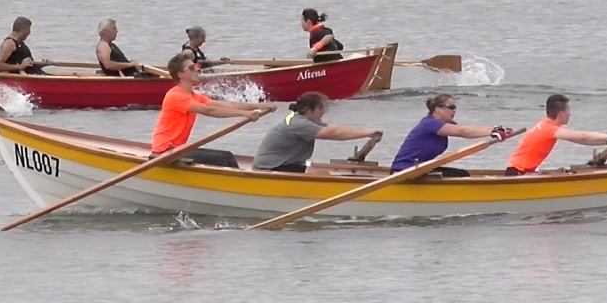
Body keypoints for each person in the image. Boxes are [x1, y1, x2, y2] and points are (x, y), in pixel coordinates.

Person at [151, 55, 275, 167]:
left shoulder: (194, 95)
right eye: (192, 68)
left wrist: (259, 106)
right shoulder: (175, 95)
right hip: (165, 151)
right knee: (220, 159)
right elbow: (209, 110)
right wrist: (244, 114)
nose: (197, 69)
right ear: (180, 74)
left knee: (227, 156)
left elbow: (224, 105)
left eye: (197, 66)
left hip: (178, 149)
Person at [251, 92, 385, 173]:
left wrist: (367, 133)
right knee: (322, 174)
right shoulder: (298, 124)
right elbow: (333, 133)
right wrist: (367, 132)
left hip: (286, 164)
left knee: (320, 172)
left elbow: (336, 129)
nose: (324, 112)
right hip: (270, 168)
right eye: (321, 108)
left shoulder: (306, 120)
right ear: (308, 110)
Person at [390, 94, 515, 177]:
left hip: (421, 169)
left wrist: (497, 129)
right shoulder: (430, 124)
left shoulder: (444, 124)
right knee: (462, 175)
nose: (454, 111)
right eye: (451, 107)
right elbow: (462, 132)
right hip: (404, 171)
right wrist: (493, 133)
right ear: (437, 109)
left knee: (462, 174)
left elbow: (467, 128)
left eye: (455, 108)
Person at [504, 94, 607, 175]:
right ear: (561, 113)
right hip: (518, 173)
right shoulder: (549, 129)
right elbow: (583, 136)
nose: (570, 114)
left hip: (519, 171)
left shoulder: (545, 124)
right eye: (569, 111)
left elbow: (582, 140)